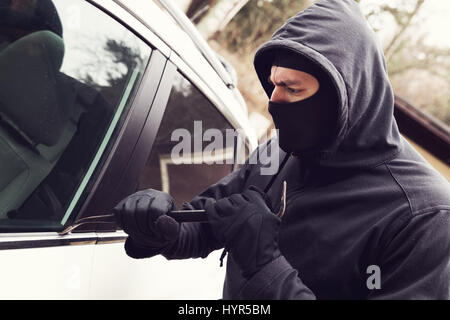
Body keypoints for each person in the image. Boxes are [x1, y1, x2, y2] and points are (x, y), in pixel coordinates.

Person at [113, 0, 450, 299]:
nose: (273, 101)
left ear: (342, 97)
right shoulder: (279, 152)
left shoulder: (427, 217)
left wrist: (265, 263)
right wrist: (160, 228)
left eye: (291, 88)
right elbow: (209, 222)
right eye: (273, 84)